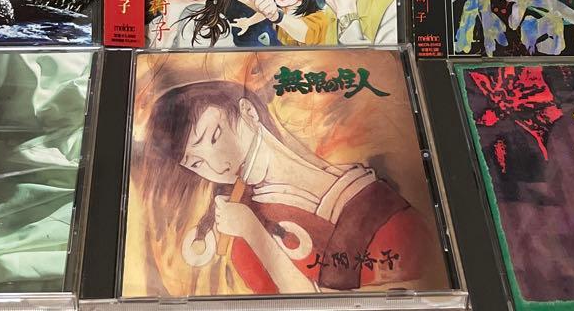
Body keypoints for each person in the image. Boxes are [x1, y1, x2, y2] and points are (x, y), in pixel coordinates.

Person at [144, 79, 435, 293]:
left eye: (215, 136)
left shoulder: (353, 175)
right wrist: (251, 230)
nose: (219, 167)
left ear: (248, 112)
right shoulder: (245, 239)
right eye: (197, 163)